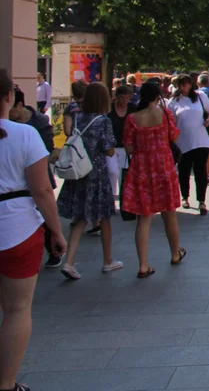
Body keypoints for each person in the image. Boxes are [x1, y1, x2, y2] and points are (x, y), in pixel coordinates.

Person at [0, 69, 67, 391]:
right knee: (16, 309)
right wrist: (55, 231)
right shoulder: (24, 135)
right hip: (17, 229)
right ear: (9, 97)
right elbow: (42, 191)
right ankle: (6, 382)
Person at [55, 82, 122, 279]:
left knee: (80, 218)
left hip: (79, 172)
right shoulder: (103, 121)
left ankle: (69, 261)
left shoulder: (78, 117)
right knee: (105, 216)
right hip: (97, 173)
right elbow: (109, 149)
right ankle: (108, 260)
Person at [122, 82, 185, 278]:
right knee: (169, 213)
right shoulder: (165, 114)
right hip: (163, 167)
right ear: (158, 96)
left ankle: (143, 265)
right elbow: (173, 137)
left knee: (144, 217)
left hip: (141, 168)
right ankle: (175, 253)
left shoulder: (132, 118)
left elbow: (129, 148)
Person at [9, 87, 62, 269]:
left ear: (19, 105)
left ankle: (52, 249)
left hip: (37, 175)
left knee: (42, 211)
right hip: (17, 193)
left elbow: (47, 148)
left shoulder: (37, 122)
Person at [167, 75, 209, 215]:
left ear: (190, 85)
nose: (182, 88)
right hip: (182, 142)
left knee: (200, 171)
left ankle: (202, 201)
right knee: (184, 170)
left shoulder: (200, 96)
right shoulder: (174, 101)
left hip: (201, 140)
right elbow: (171, 122)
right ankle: (185, 197)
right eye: (180, 85)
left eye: (185, 85)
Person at [108, 85, 136, 198]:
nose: (125, 100)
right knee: (113, 172)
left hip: (126, 147)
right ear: (116, 97)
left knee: (125, 175)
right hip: (111, 147)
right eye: (122, 97)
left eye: (127, 97)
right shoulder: (109, 108)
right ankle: (111, 197)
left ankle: (124, 199)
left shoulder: (133, 108)